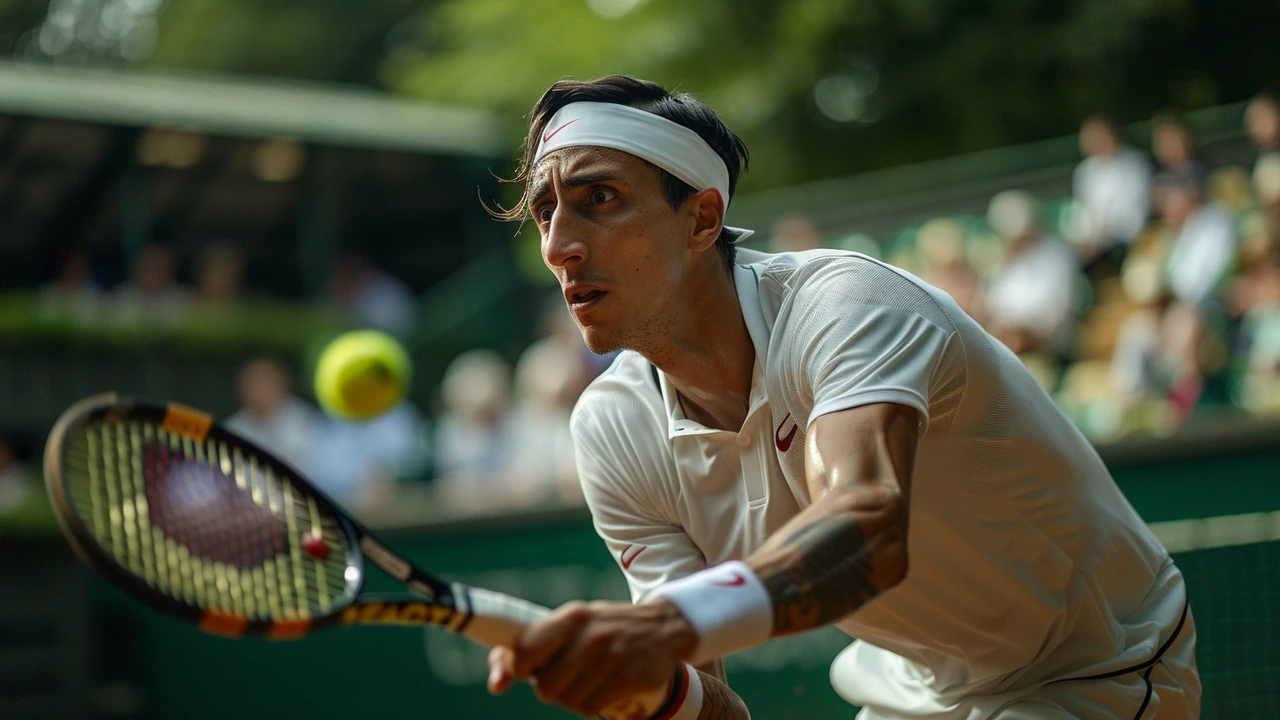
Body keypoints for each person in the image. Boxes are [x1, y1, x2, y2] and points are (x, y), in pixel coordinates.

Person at [485, 75, 1199, 720]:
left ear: (703, 219)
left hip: (1095, 668)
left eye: (598, 199)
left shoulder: (847, 303)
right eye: (546, 212)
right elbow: (720, 711)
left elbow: (868, 531)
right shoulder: (610, 429)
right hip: (911, 698)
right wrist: (648, 689)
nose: (558, 245)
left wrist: (657, 629)